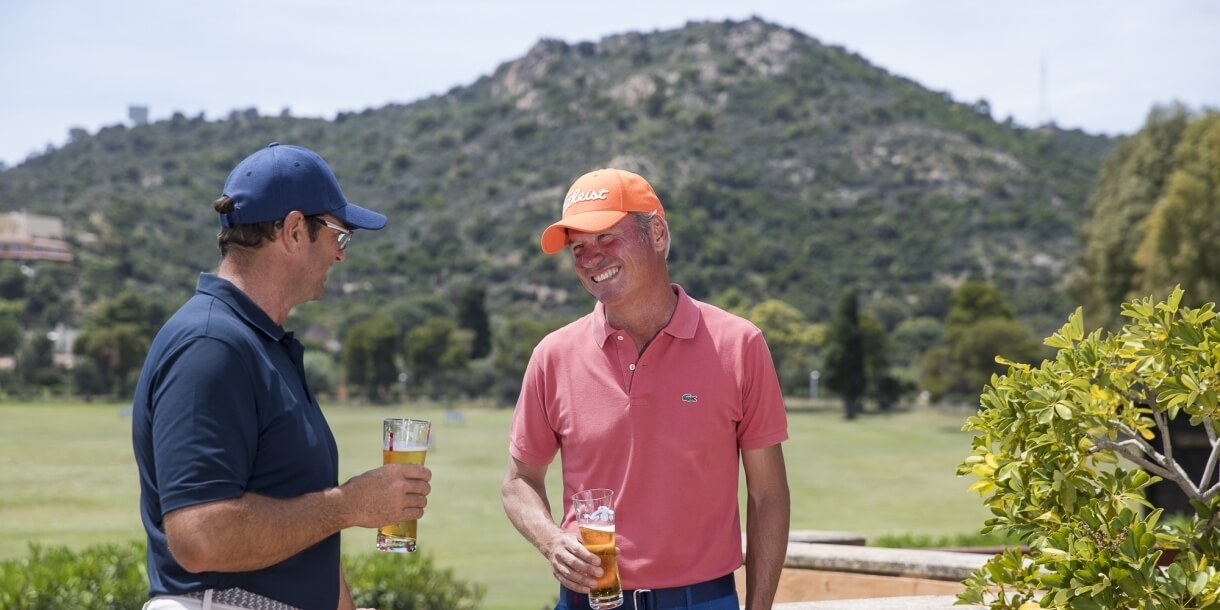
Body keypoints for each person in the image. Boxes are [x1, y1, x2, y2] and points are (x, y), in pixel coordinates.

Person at [131, 142, 431, 610]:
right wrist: (349, 505)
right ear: (293, 230)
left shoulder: (257, 344)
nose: (341, 256)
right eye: (339, 236)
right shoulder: (211, 345)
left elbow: (298, 525)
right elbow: (199, 537)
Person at [501, 168, 791, 610]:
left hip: (704, 601)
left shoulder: (740, 345)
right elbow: (519, 481)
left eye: (606, 239)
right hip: (588, 603)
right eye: (578, 247)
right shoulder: (552, 355)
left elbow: (767, 494)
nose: (590, 258)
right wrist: (553, 542)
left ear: (656, 233)